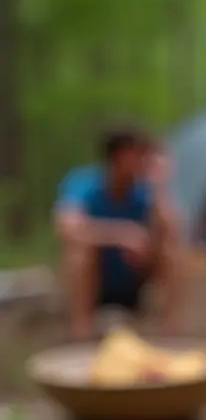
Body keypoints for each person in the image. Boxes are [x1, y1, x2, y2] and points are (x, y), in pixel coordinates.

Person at [54, 125, 182, 340]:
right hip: (96, 279)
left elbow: (173, 231)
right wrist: (121, 235)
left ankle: (171, 333)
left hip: (134, 277)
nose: (146, 161)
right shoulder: (83, 182)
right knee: (78, 253)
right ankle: (81, 333)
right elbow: (67, 227)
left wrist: (160, 187)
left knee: (173, 252)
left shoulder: (145, 190)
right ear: (121, 156)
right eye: (141, 154)